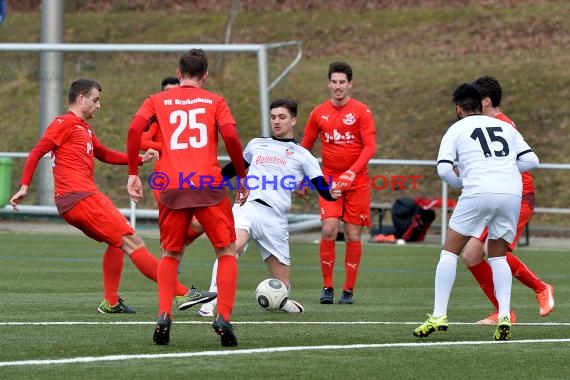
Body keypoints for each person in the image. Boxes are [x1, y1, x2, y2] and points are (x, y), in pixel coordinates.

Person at [9, 78, 211, 316]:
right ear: (81, 98)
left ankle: (111, 301)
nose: (99, 105)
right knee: (133, 241)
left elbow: (104, 154)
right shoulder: (63, 123)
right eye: (95, 100)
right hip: (81, 196)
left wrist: (138, 159)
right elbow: (37, 152)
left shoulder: (83, 128)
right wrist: (24, 186)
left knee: (116, 243)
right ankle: (181, 293)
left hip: (73, 200)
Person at [126, 49, 249, 347]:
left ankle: (164, 315)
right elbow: (231, 137)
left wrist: (133, 172)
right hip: (207, 183)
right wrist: (242, 175)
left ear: (179, 73)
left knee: (171, 254)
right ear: (205, 75)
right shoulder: (215, 101)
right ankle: (223, 317)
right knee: (226, 251)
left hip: (171, 184)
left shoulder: (157, 99)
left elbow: (133, 129)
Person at [413, 83, 539, 341]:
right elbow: (532, 160)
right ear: (481, 104)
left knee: (450, 251)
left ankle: (439, 315)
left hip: (478, 191)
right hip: (510, 194)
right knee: (498, 256)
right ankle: (504, 315)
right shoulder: (505, 127)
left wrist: (462, 181)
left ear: (459, 109)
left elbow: (444, 169)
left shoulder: (456, 128)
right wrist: (504, 168)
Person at [198, 98, 342, 317]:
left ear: (293, 120)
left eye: (282, 117)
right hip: (247, 206)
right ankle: (211, 299)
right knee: (231, 247)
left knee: (282, 283)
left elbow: (321, 186)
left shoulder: (303, 155)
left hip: (275, 218)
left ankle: (281, 301)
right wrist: (209, 183)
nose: (276, 121)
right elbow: (234, 168)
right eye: (273, 117)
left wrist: (331, 194)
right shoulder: (256, 144)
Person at [462, 76, 554, 324]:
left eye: (475, 101)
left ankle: (541, 288)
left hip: (517, 196)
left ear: (486, 101)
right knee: (471, 255)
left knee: (491, 251)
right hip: (498, 195)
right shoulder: (490, 125)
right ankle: (503, 312)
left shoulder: (502, 126)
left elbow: (524, 161)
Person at [300, 61, 377, 305]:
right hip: (329, 180)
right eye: (333, 82)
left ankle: (348, 290)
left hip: (357, 180)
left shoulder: (362, 112)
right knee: (329, 229)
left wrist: (352, 172)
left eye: (342, 82)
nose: (337, 86)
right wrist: (302, 178)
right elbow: (305, 147)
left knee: (353, 233)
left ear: (350, 84)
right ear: (328, 83)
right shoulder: (318, 113)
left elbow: (370, 146)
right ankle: (327, 286)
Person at [140, 77, 204, 247]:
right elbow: (141, 141)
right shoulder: (158, 118)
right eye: (168, 91)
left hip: (188, 176)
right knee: (170, 227)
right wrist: (169, 147)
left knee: (199, 223)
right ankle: (168, 261)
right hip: (164, 177)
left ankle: (174, 247)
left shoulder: (189, 118)